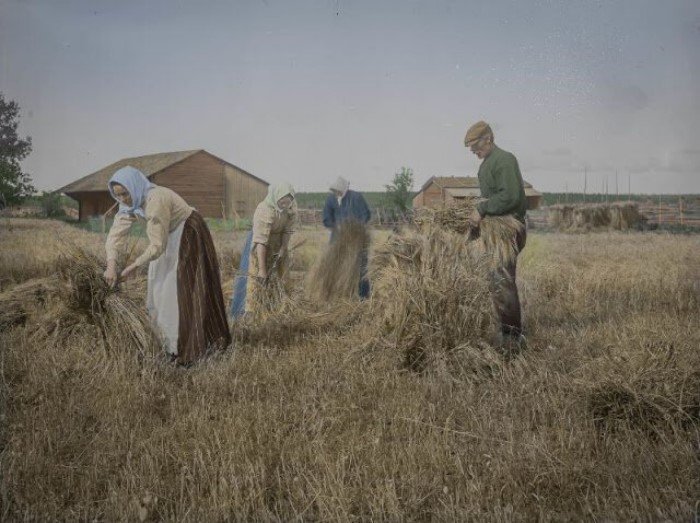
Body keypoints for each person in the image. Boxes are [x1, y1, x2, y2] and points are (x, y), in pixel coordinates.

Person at [103, 166, 230, 365]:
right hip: (167, 236)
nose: (123, 199)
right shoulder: (128, 203)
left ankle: (189, 348)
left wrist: (134, 266)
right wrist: (111, 265)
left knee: (180, 291)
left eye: (125, 194)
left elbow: (157, 246)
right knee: (159, 289)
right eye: (118, 196)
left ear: (135, 187)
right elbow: (116, 236)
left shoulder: (156, 199)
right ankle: (168, 345)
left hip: (187, 233)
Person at [464, 121, 528, 347]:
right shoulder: (487, 164)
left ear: (488, 139)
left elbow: (511, 197)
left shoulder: (504, 160)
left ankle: (512, 338)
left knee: (502, 281)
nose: (474, 152)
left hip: (509, 230)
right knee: (496, 281)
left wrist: (482, 208)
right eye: (471, 149)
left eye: (476, 147)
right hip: (495, 230)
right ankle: (505, 329)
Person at [230, 182, 296, 318]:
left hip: (278, 242)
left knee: (281, 277)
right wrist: (262, 269)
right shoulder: (264, 209)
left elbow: (287, 230)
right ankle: (248, 314)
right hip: (260, 243)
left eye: (287, 203)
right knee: (255, 279)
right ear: (276, 198)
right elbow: (261, 242)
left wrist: (283, 248)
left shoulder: (291, 207)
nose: (284, 206)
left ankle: (279, 310)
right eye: (282, 203)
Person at [322, 176, 372, 298]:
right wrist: (336, 226)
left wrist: (355, 228)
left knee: (361, 267)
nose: (337, 193)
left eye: (339, 190)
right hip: (338, 240)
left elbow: (366, 215)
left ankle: (363, 296)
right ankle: (336, 295)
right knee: (335, 266)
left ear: (345, 189)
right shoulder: (330, 200)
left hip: (357, 239)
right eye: (335, 190)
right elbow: (326, 219)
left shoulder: (356, 197)